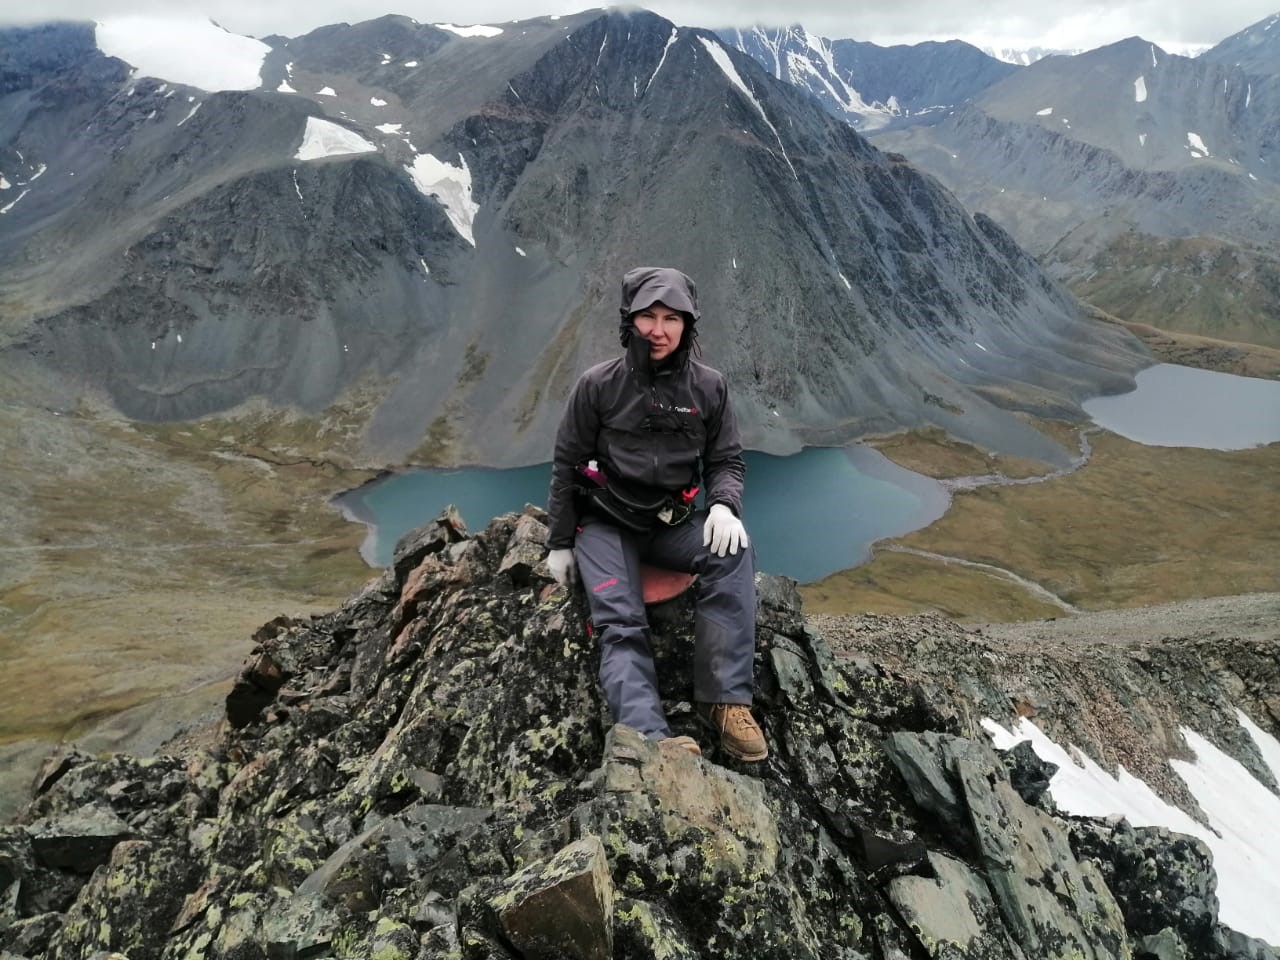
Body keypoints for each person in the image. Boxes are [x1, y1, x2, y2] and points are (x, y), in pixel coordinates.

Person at [544, 266, 767, 762]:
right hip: (605, 524)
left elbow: (726, 461)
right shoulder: (598, 385)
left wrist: (724, 506)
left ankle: (724, 701)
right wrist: (559, 542)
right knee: (620, 621)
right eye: (648, 316)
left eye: (672, 318)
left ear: (688, 325)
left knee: (734, 551)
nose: (658, 330)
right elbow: (567, 465)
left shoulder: (709, 388)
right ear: (630, 320)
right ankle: (648, 733)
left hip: (672, 524)